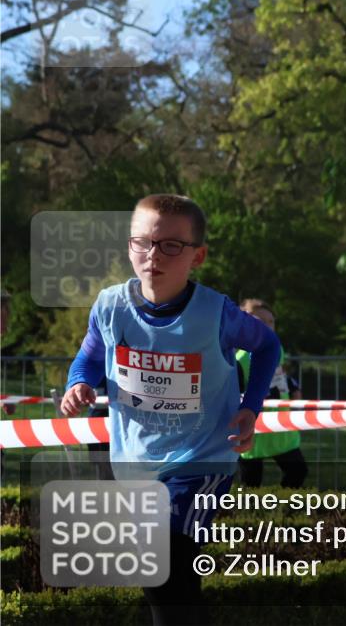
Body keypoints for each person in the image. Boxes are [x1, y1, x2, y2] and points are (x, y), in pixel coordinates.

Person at [59, 193, 281, 626]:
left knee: (165, 560)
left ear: (198, 255)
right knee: (167, 578)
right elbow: (88, 355)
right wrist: (78, 383)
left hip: (202, 460)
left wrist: (250, 408)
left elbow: (268, 345)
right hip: (137, 463)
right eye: (142, 242)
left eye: (170, 246)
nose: (153, 254)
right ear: (129, 247)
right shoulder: (111, 305)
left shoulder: (216, 312)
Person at [236, 298, 308, 488]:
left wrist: (293, 389)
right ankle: (250, 516)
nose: (267, 326)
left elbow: (280, 375)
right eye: (260, 321)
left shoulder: (277, 349)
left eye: (271, 322)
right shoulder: (239, 357)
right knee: (250, 483)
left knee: (297, 471)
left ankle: (283, 512)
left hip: (281, 427)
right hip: (253, 428)